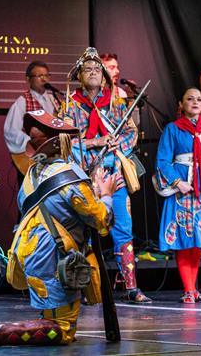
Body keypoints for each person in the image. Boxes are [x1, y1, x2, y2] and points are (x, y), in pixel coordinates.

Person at [0, 110, 117, 348]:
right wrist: (106, 195)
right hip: (55, 260)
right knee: (63, 330)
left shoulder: (31, 176)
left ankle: (4, 332)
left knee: (52, 319)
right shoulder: (71, 177)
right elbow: (101, 220)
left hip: (32, 255)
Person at [61, 47, 150, 303]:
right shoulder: (70, 106)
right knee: (85, 231)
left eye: (97, 69)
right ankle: (87, 288)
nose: (93, 73)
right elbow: (64, 140)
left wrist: (116, 144)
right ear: (80, 75)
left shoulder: (116, 104)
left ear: (103, 76)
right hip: (84, 176)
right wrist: (94, 142)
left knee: (123, 228)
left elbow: (131, 132)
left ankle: (131, 287)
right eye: (87, 69)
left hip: (113, 175)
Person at [155, 88, 201, 303]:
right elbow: (162, 161)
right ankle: (189, 289)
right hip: (182, 191)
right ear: (181, 104)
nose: (195, 102)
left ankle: (193, 289)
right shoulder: (173, 129)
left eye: (198, 99)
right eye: (190, 99)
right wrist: (178, 183)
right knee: (183, 238)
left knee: (197, 239)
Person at [3, 61, 60, 178]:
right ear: (28, 79)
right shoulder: (22, 101)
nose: (44, 79)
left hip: (52, 157)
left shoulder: (54, 100)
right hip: (32, 158)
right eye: (39, 76)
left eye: (46, 75)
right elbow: (11, 132)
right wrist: (32, 142)